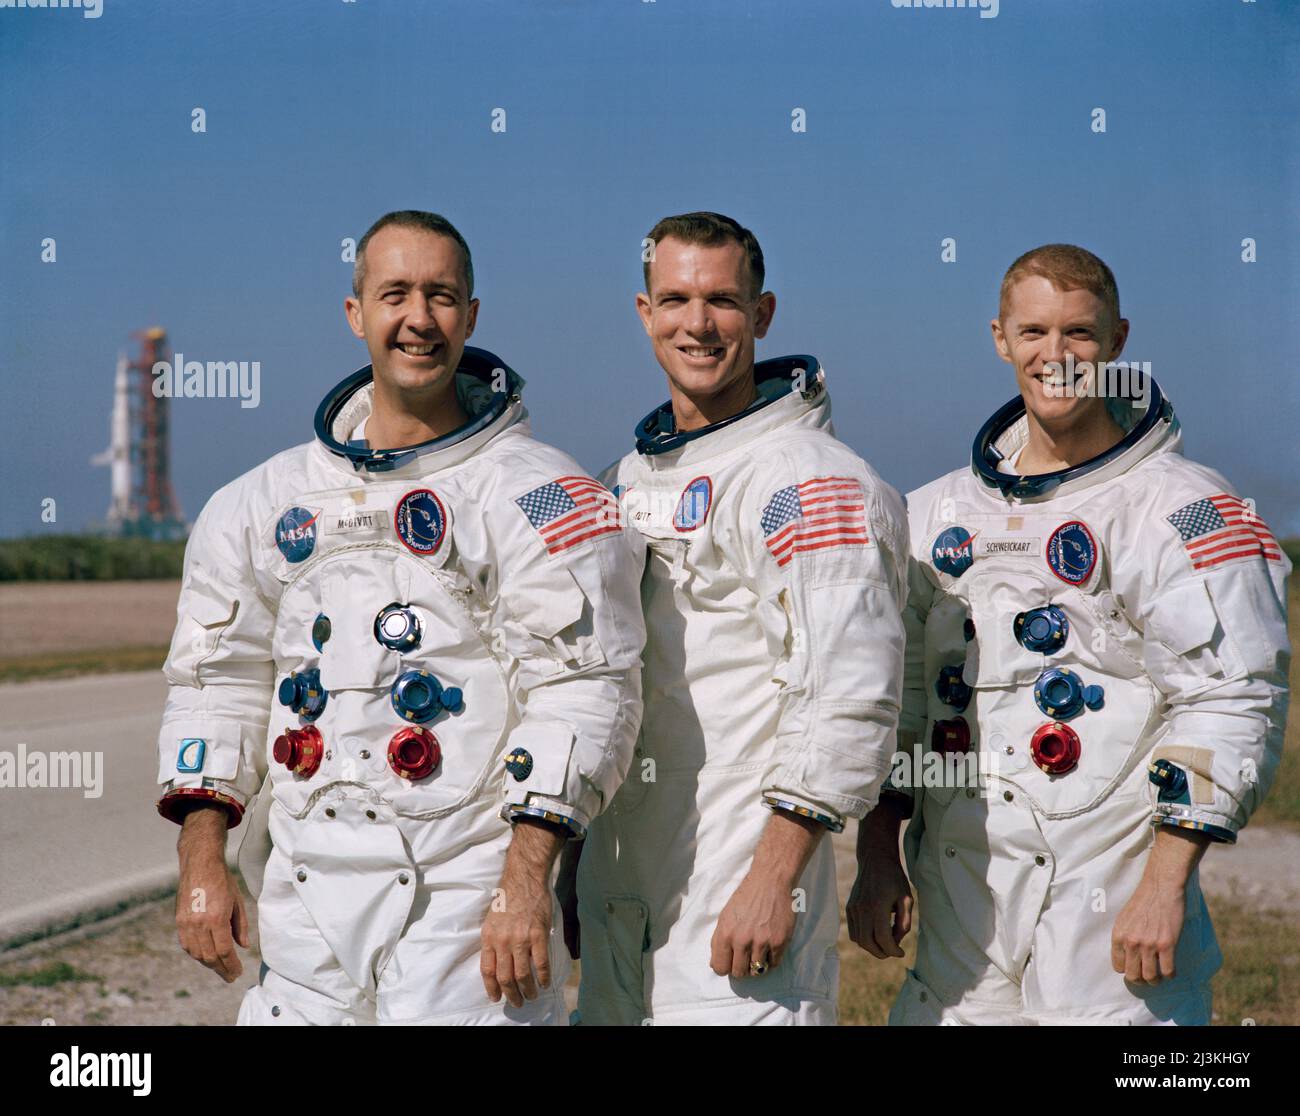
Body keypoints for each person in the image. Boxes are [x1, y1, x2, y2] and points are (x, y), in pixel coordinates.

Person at [156, 209, 645, 1026]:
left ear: (472, 316)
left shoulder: (540, 494)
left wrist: (526, 885)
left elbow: (587, 689)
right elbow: (216, 683)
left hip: (466, 907)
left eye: (442, 296)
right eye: (395, 295)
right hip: (305, 903)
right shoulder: (260, 504)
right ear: (356, 315)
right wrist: (201, 857)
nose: (419, 319)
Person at [849, 243, 1291, 1025]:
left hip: (1112, 899)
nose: (1056, 356)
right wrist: (879, 851)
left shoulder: (1179, 508)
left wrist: (1164, 885)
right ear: (1000, 338)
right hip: (966, 900)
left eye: (1080, 335)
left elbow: (1232, 698)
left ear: (1118, 341)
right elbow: (906, 700)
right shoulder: (937, 516)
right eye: (1034, 332)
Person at [571, 211, 909, 1025]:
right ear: (644, 312)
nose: (698, 323)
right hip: (623, 891)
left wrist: (773, 881)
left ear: (761, 316)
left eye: (722, 300)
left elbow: (847, 695)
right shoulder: (621, 481)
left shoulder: (812, 481)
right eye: (676, 299)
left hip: (740, 884)